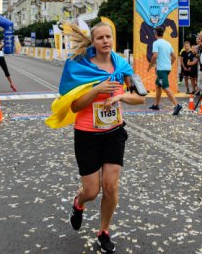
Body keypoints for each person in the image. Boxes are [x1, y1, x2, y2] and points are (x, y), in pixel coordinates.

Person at [52, 22, 144, 254]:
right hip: (87, 135)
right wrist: (96, 90)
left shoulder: (122, 66)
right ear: (92, 42)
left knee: (111, 186)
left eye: (108, 37)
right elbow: (74, 106)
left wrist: (120, 97)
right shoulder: (81, 67)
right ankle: (78, 202)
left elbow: (141, 98)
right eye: (100, 37)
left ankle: (103, 231)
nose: (105, 41)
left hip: (114, 133)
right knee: (92, 191)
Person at [147, 27, 181, 115]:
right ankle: (156, 105)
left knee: (165, 87)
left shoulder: (156, 43)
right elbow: (174, 56)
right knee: (158, 86)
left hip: (161, 69)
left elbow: (154, 56)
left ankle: (177, 105)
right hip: (167, 68)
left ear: (155, 34)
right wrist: (169, 64)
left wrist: (150, 65)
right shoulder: (168, 43)